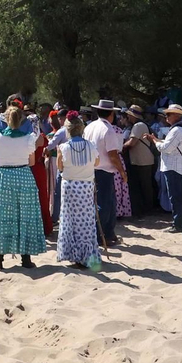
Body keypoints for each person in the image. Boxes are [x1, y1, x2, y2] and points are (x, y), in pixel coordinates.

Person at [0, 103, 44, 270]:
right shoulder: (28, 139)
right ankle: (25, 259)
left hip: (2, 176)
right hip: (23, 176)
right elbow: (31, 161)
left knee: (1, 216)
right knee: (24, 216)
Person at [55, 112, 99, 267]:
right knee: (86, 221)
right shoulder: (91, 145)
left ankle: (73, 253)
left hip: (70, 186)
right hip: (86, 185)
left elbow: (60, 167)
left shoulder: (64, 147)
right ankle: (86, 254)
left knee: (70, 221)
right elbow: (96, 162)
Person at [84, 99, 126, 246]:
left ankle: (108, 232)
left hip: (91, 169)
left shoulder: (89, 127)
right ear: (111, 114)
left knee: (105, 202)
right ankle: (101, 235)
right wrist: (122, 172)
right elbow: (113, 155)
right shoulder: (108, 130)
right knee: (104, 204)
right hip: (104, 170)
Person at [154, 104, 182, 232]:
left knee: (174, 197)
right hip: (176, 166)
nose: (166, 117)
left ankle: (178, 224)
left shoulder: (176, 130)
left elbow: (166, 148)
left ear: (176, 115)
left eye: (168, 114)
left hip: (172, 167)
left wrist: (156, 142)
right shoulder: (180, 129)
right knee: (178, 196)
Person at [124, 106, 158, 217]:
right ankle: (146, 207)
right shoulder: (140, 125)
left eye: (129, 114)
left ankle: (148, 208)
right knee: (144, 185)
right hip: (141, 160)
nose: (127, 116)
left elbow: (132, 143)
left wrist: (120, 147)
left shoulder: (138, 126)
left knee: (145, 185)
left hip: (142, 161)